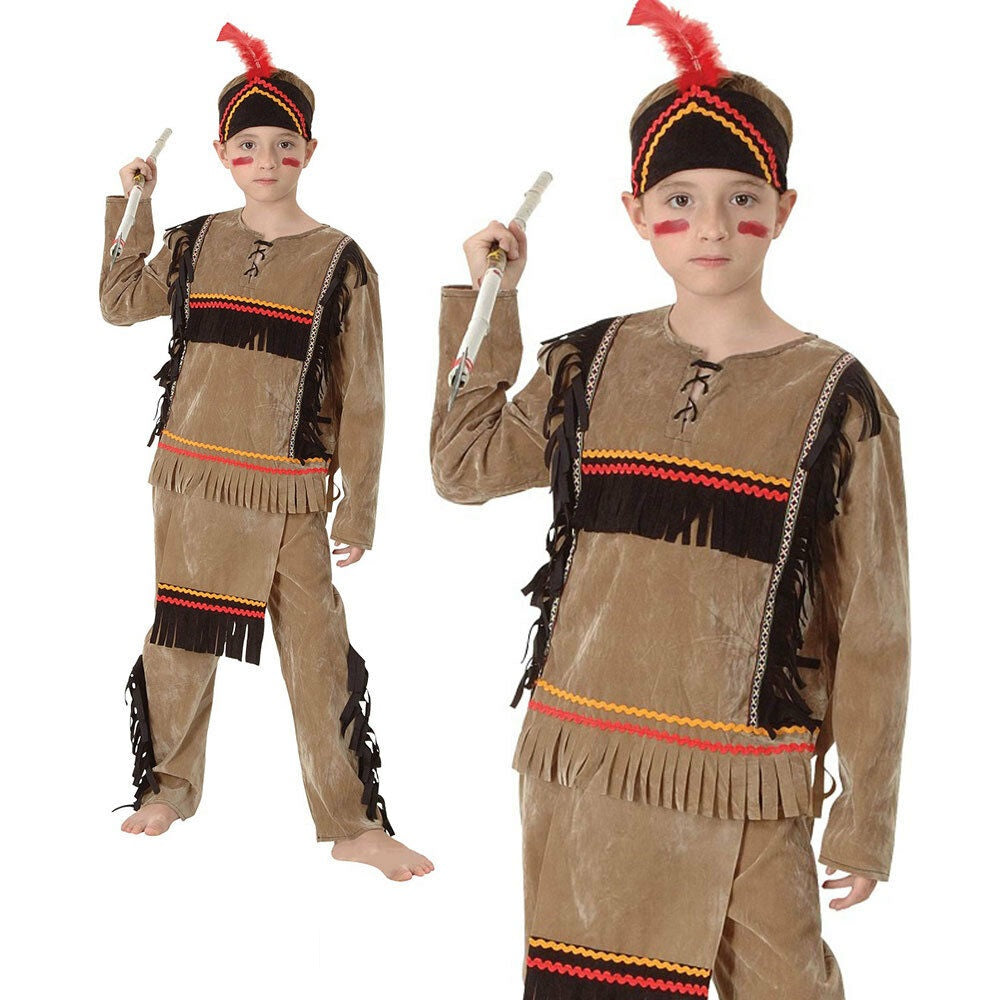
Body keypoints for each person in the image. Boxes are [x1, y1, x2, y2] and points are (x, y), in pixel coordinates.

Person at [429, 1, 908, 992]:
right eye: (680, 199)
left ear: (783, 208)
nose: (712, 226)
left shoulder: (837, 397)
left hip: (747, 772)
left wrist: (864, 816)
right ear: (636, 213)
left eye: (742, 198)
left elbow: (872, 621)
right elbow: (462, 466)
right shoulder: (590, 362)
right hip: (586, 757)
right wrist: (489, 301)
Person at [100, 22, 432, 881]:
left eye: (284, 144)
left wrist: (358, 508)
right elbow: (120, 300)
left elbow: (365, 394)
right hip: (194, 477)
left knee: (318, 650)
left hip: (288, 491)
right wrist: (133, 203)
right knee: (180, 636)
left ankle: (353, 822)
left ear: (309, 151)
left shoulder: (340, 262)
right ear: (221, 154)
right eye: (247, 145)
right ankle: (167, 786)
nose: (266, 158)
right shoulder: (193, 240)